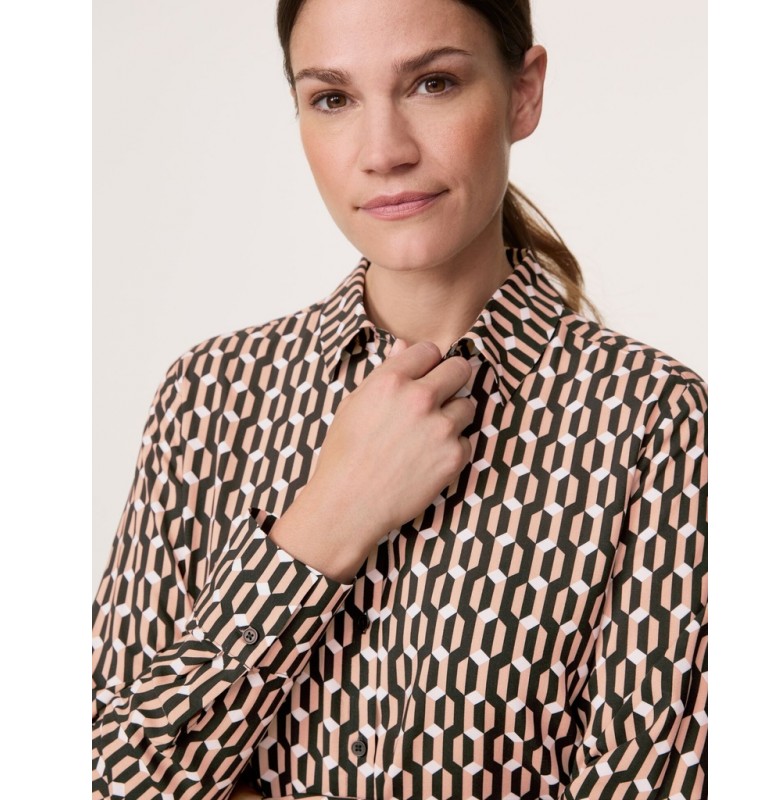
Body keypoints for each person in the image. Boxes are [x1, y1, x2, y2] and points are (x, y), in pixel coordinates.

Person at [92, 0, 707, 798]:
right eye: (333, 98)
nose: (383, 152)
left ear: (523, 93)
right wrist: (326, 522)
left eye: (433, 84)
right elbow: (106, 775)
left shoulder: (657, 422)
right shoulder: (209, 397)